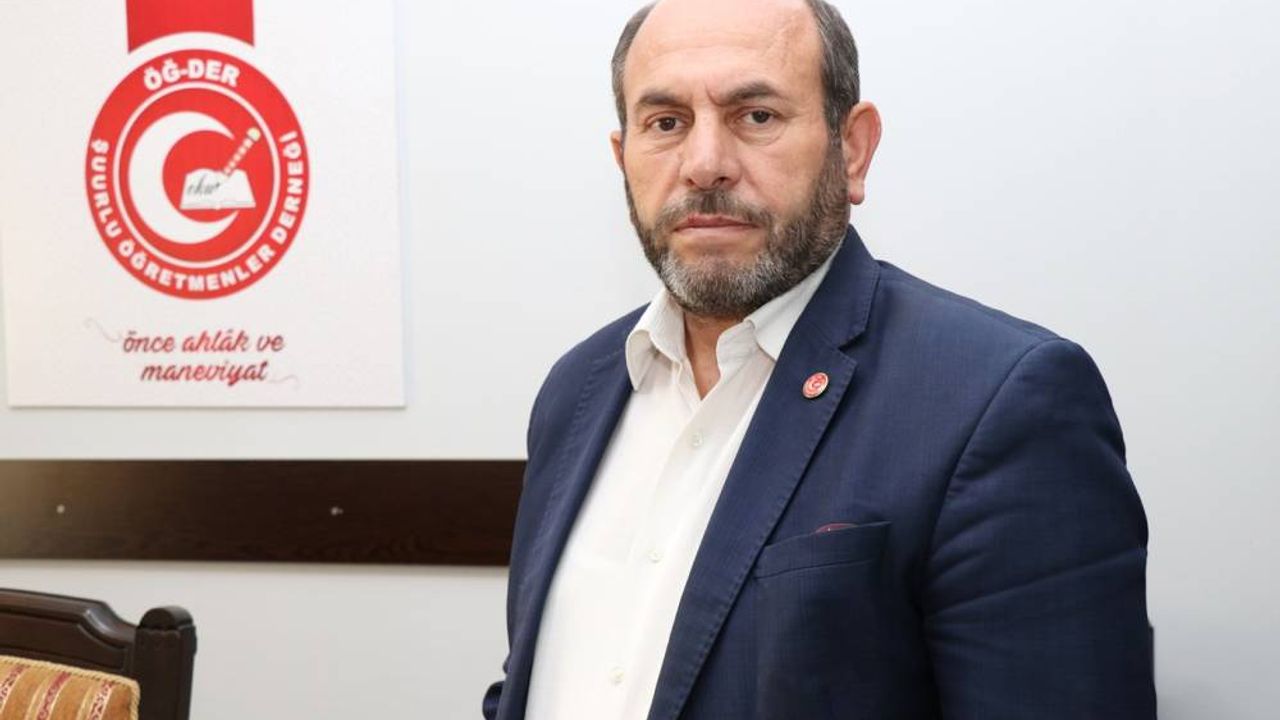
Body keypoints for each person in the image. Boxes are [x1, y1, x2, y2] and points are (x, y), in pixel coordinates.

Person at [484, 0, 1156, 717]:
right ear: (624, 157)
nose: (704, 165)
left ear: (853, 149)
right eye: (667, 123)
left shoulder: (999, 400)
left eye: (756, 116)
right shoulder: (580, 388)